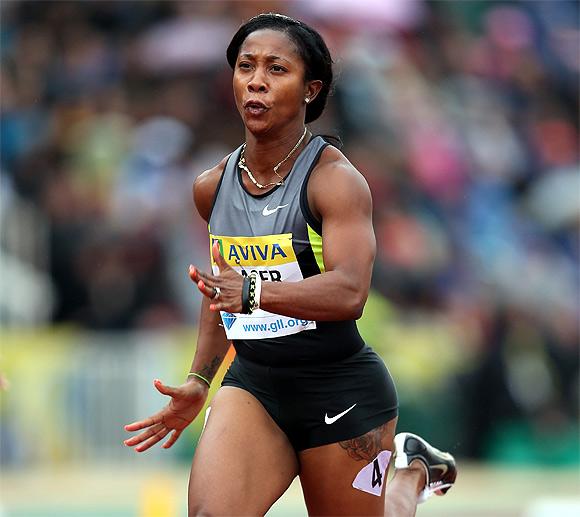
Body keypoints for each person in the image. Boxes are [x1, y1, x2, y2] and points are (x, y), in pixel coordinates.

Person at [124, 13, 456, 516]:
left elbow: (350, 294)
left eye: (277, 69)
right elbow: (222, 291)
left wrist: (254, 293)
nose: (256, 80)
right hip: (254, 385)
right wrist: (198, 379)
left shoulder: (337, 182)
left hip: (338, 389)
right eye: (245, 66)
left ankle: (409, 470)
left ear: (310, 89)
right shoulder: (211, 187)